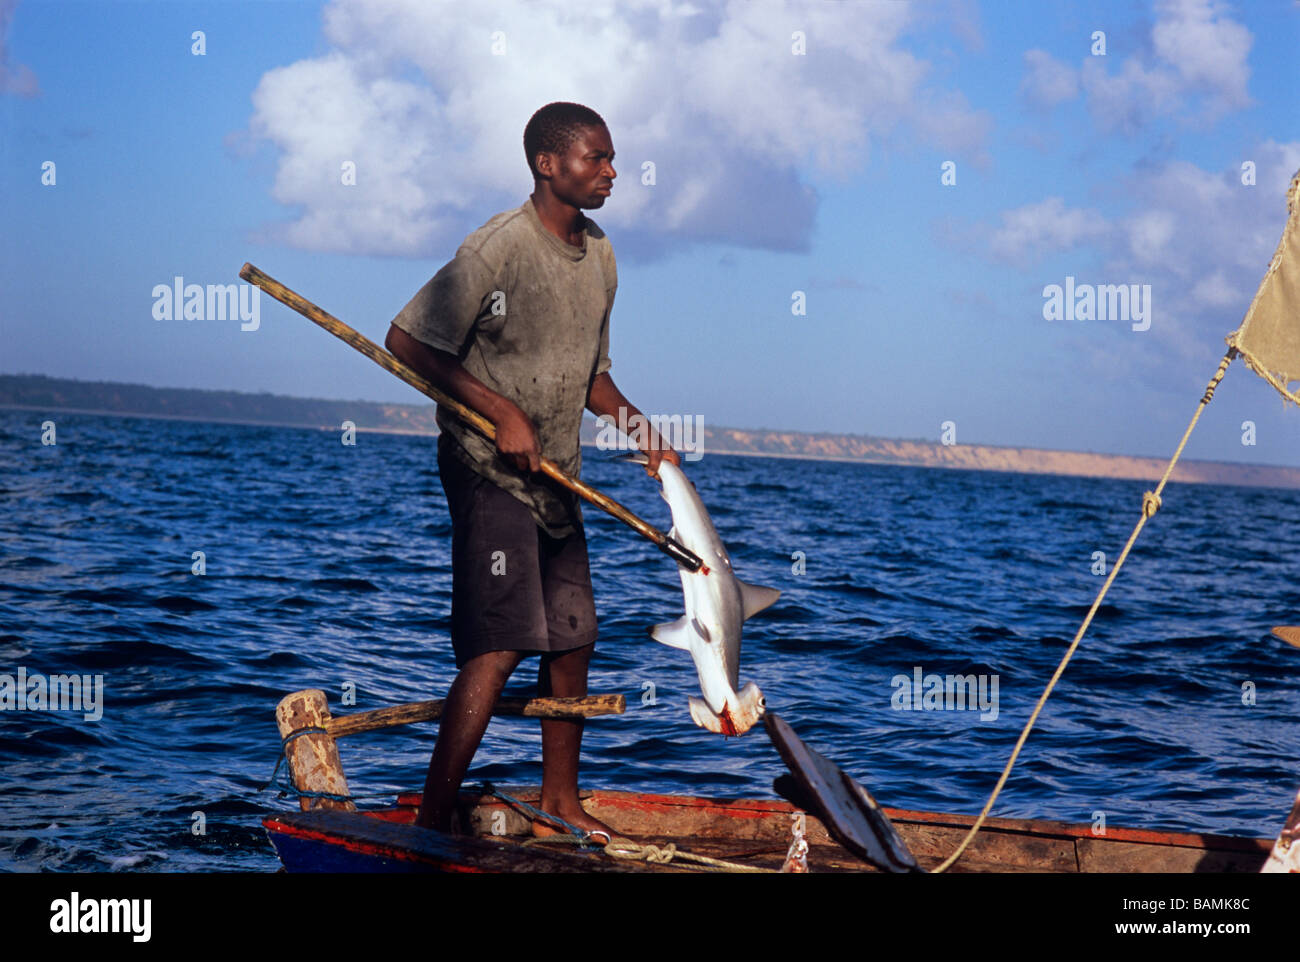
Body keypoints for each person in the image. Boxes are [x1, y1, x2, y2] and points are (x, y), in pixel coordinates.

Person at [385, 102, 679, 841]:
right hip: (487, 468)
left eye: (613, 159)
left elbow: (591, 377)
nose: (612, 172)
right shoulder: (497, 249)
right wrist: (501, 412)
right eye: (596, 159)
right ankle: (429, 821)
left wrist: (638, 425)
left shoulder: (603, 254)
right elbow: (408, 342)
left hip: (557, 478)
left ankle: (559, 800)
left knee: (575, 637)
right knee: (503, 639)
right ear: (549, 165)